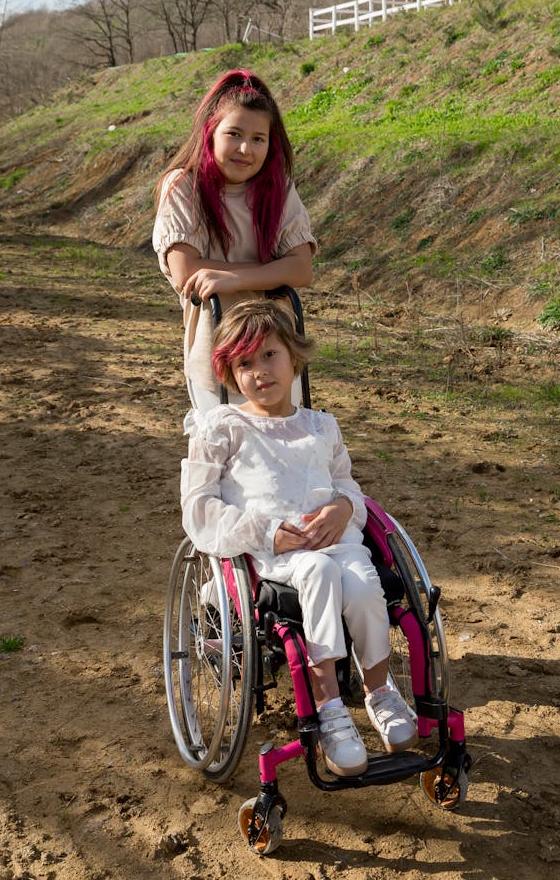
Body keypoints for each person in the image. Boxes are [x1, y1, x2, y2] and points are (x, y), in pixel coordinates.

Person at [180, 299, 418, 776]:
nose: (260, 372)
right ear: (229, 371)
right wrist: (266, 532)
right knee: (319, 570)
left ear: (294, 356)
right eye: (244, 363)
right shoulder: (223, 428)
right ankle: (330, 706)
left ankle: (378, 691)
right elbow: (199, 507)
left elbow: (346, 483)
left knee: (364, 582)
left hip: (335, 538)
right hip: (272, 553)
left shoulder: (321, 426)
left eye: (269, 355)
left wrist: (343, 507)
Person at [153, 69, 316, 410]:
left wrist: (233, 277)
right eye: (234, 133)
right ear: (210, 132)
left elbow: (301, 268)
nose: (246, 148)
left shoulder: (278, 189)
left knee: (286, 452)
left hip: (277, 350)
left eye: (259, 138)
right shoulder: (184, 186)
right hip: (217, 350)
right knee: (224, 455)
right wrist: (272, 270)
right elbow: (187, 270)